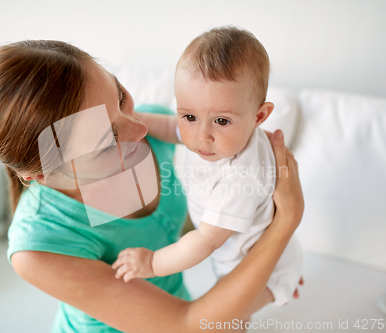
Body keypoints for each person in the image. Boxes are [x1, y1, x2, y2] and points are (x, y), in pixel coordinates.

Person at [0, 39, 304, 333]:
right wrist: (287, 219)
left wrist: (258, 264)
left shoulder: (153, 129)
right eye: (106, 140)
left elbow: (178, 223)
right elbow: (187, 326)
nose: (138, 130)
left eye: (121, 97)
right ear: (44, 175)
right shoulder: (40, 247)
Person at [112, 26, 303, 314]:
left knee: (226, 319)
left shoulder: (242, 177)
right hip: (247, 251)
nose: (202, 136)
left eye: (222, 121)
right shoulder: (215, 135)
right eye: (189, 116)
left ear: (259, 116)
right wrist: (129, 120)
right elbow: (168, 127)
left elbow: (205, 241)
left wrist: (152, 263)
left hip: (261, 266)